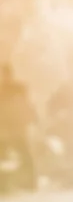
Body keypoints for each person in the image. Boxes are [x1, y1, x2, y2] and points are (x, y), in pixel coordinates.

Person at [0, 64, 37, 192]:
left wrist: (30, 120)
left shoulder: (19, 88)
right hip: (6, 128)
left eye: (5, 74)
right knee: (4, 155)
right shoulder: (3, 90)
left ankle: (31, 182)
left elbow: (26, 105)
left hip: (18, 128)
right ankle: (4, 184)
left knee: (24, 153)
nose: (4, 77)